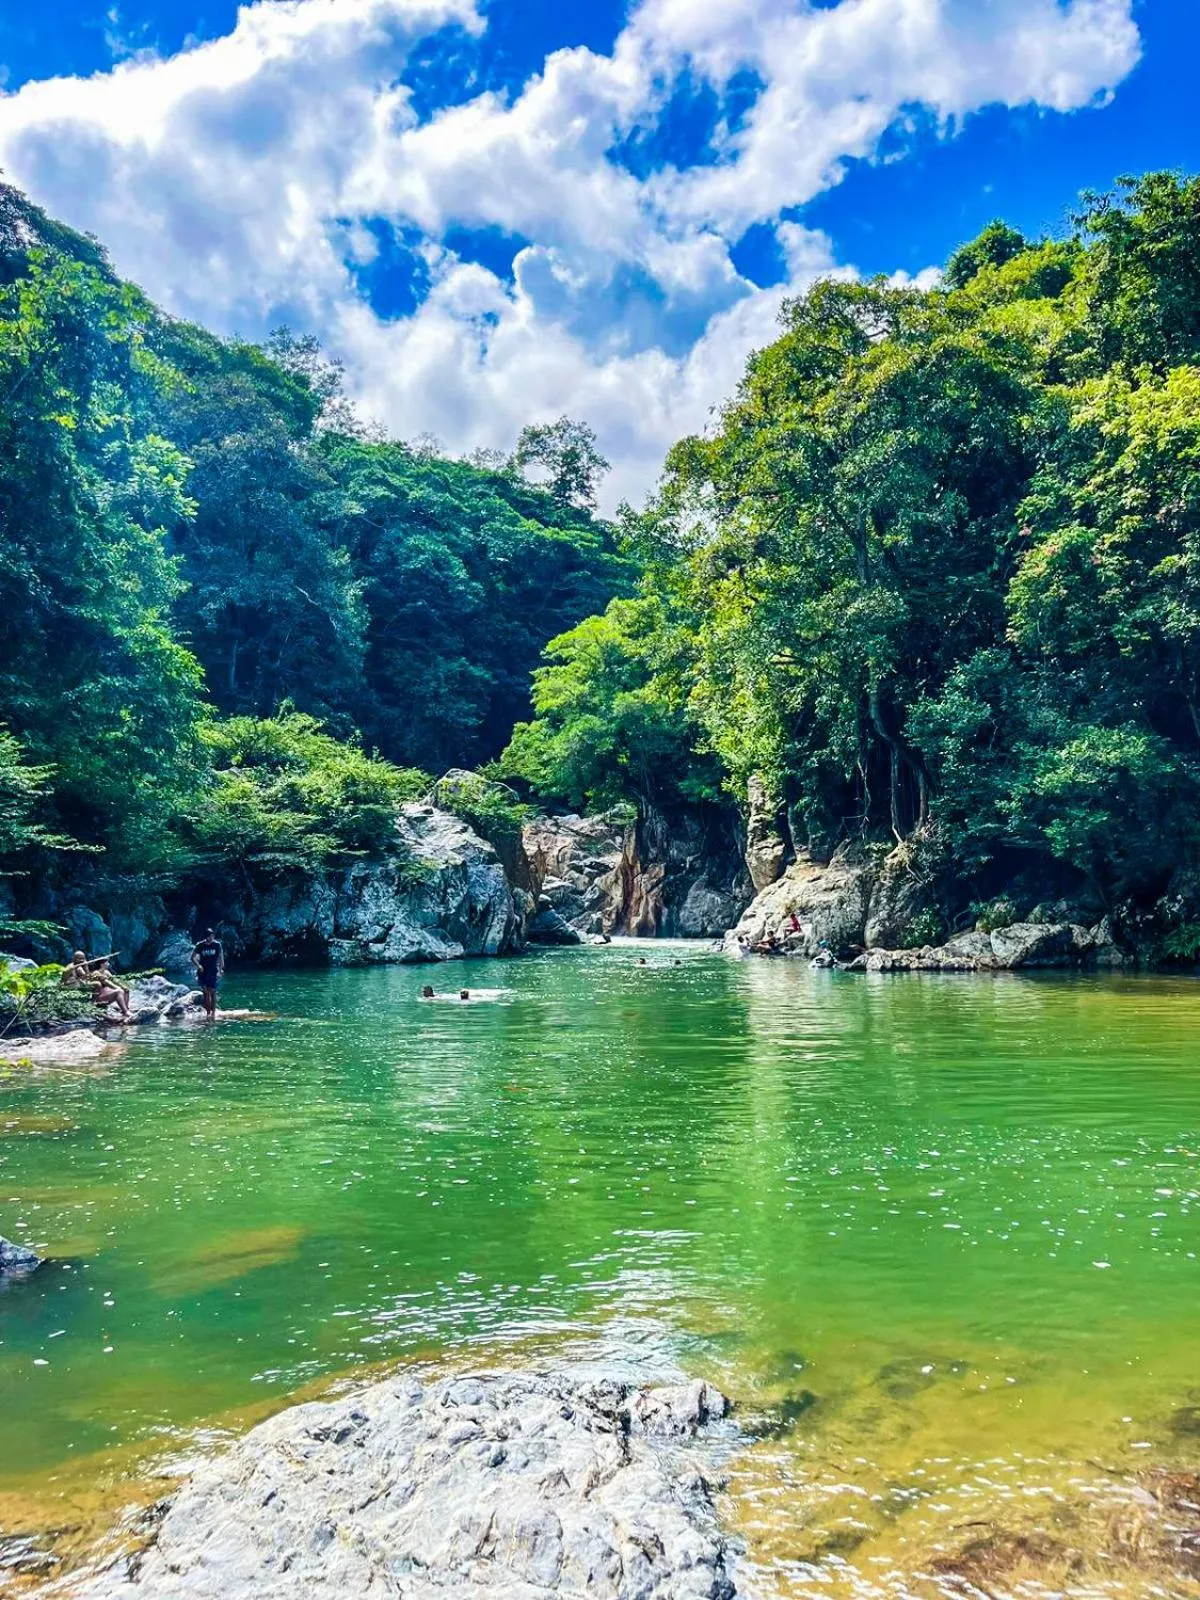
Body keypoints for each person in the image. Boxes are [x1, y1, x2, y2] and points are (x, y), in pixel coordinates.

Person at [63, 951, 133, 1021]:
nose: (81, 960)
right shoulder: (71, 967)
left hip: (82, 986)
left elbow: (86, 977)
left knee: (123, 989)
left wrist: (86, 966)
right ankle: (94, 1003)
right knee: (98, 984)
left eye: (83, 959)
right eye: (79, 959)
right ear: (74, 958)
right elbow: (67, 977)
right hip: (70, 986)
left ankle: (125, 1009)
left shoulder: (83, 968)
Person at [191, 929, 225, 1020]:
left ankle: (213, 1013)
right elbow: (193, 957)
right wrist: (198, 966)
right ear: (206, 937)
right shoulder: (200, 945)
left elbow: (221, 957)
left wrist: (221, 969)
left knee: (213, 991)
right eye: (210, 936)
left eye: (213, 936)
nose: (211, 938)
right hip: (203, 971)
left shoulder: (217, 945)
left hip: (213, 970)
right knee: (206, 992)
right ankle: (207, 1012)